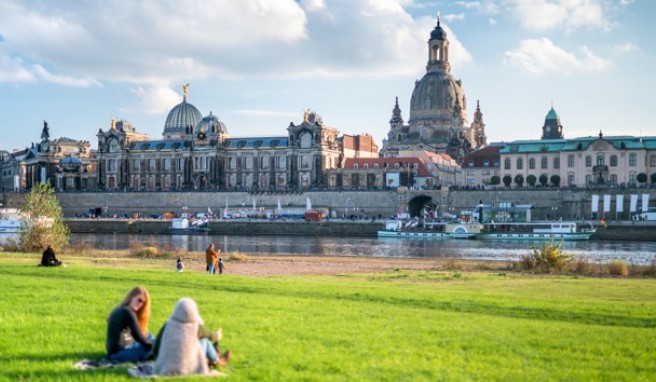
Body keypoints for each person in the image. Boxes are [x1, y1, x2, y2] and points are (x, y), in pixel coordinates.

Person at [153, 298, 230, 376]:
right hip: (191, 367)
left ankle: (213, 359)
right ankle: (217, 360)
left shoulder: (167, 325)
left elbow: (155, 348)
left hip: (166, 367)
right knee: (205, 341)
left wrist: (160, 361)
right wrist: (218, 334)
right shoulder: (196, 327)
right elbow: (211, 336)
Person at [106, 286, 154, 363]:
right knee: (155, 343)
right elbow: (139, 338)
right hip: (119, 354)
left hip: (116, 352)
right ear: (132, 297)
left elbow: (139, 335)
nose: (140, 304)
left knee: (148, 335)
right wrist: (154, 347)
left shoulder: (121, 309)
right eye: (139, 300)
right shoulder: (127, 312)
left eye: (143, 303)